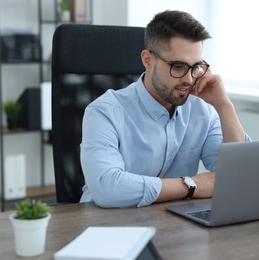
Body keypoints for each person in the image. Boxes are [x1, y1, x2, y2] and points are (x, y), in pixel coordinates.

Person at [80, 10, 250, 208]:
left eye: (196, 66)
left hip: (173, 224)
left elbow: (239, 177)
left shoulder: (202, 110)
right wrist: (190, 185)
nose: (188, 79)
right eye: (178, 66)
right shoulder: (104, 112)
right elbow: (107, 189)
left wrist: (223, 105)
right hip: (108, 225)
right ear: (148, 60)